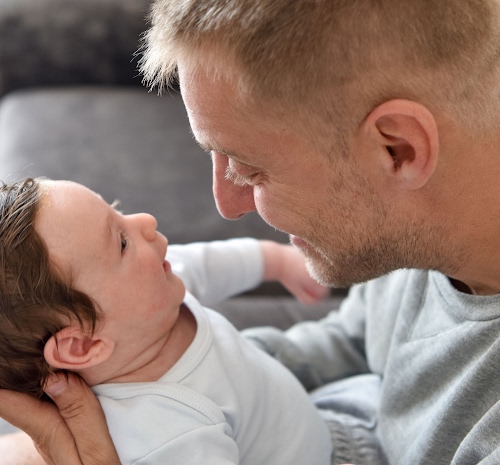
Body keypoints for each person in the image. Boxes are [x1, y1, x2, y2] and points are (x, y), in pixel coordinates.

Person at [3, 0, 500, 463]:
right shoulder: (418, 234)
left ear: (398, 150)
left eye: (249, 169)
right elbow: (356, 339)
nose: (227, 205)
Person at [0, 177, 332, 465]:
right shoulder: (165, 435)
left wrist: (277, 261)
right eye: (122, 242)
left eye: (115, 209)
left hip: (285, 402)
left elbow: (209, 264)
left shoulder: (150, 292)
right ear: (83, 344)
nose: (146, 220)